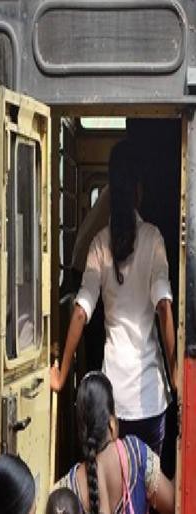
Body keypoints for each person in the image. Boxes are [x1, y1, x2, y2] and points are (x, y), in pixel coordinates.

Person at [51, 140, 176, 457]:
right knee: (147, 480)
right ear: (138, 189)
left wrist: (61, 375)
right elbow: (164, 305)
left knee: (116, 480)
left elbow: (80, 312)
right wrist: (175, 373)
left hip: (113, 400)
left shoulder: (98, 244)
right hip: (150, 398)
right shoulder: (153, 238)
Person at [56, 372, 174, 514]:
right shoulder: (136, 455)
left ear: (81, 433)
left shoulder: (67, 491)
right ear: (112, 425)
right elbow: (174, 505)